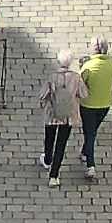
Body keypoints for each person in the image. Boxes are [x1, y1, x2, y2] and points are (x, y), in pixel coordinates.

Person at [76, 39, 112, 180]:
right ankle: (85, 152)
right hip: (105, 104)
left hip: (88, 105)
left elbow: (79, 84)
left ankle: (90, 165)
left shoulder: (88, 66)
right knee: (92, 131)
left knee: (90, 133)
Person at [37, 50, 79, 187]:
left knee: (49, 138)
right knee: (61, 145)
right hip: (67, 116)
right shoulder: (76, 78)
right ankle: (54, 176)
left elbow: (43, 95)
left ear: (58, 62)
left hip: (52, 114)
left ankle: (47, 159)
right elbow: (84, 94)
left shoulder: (52, 77)